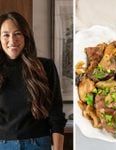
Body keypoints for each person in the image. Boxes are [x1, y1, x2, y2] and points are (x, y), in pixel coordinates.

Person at [0, 11, 67, 150]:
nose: (12, 41)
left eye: (17, 33)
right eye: (6, 35)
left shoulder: (45, 67)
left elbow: (56, 113)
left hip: (38, 143)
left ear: (26, 36)